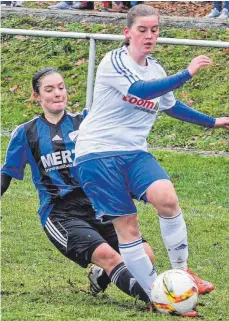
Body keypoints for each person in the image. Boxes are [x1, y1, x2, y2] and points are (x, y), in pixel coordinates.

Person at [74, 4, 229, 317]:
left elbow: (169, 105)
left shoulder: (156, 69)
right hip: (96, 153)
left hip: (133, 152)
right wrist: (186, 73)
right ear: (127, 32)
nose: (149, 35)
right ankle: (158, 297)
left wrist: (213, 122)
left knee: (167, 199)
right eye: (142, 30)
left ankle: (183, 276)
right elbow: (140, 90)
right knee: (128, 226)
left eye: (154, 30)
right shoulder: (114, 61)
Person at [1, 66, 158, 308]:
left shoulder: (86, 122)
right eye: (49, 89)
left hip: (98, 205)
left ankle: (102, 276)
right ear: (37, 96)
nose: (57, 94)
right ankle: (157, 300)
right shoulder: (26, 133)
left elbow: (113, 155)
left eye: (61, 88)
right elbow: (5, 176)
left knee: (146, 255)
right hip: (60, 213)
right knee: (109, 256)